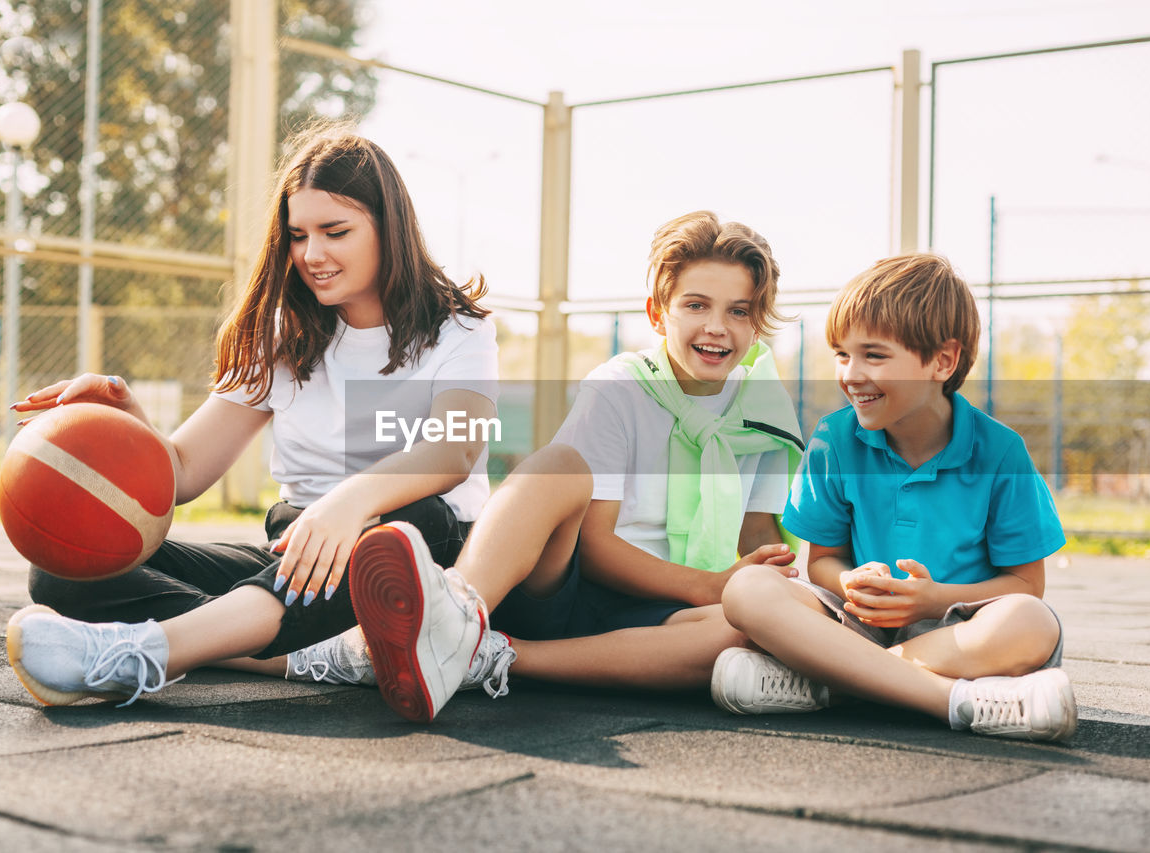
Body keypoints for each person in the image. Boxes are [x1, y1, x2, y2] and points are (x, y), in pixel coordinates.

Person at [4, 122, 504, 707]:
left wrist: (349, 503)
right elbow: (184, 472)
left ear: (388, 228)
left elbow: (454, 452)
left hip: (420, 545)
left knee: (398, 533)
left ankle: (140, 656)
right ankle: (326, 656)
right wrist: (127, 423)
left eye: (335, 231)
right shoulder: (282, 334)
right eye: (298, 236)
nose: (312, 255)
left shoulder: (461, 328)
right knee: (68, 566)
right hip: (293, 556)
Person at [314, 210, 806, 723]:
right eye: (696, 305)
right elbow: (594, 547)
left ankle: (489, 655)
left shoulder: (763, 410)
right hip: (570, 589)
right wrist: (704, 586)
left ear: (756, 325)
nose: (716, 327)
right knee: (558, 465)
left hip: (665, 613)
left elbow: (757, 536)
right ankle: (459, 610)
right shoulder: (622, 388)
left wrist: (793, 595)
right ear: (659, 314)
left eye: (739, 312)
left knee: (745, 631)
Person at [711, 253, 1076, 742]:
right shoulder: (832, 440)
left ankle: (832, 685)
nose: (851, 374)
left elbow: (1027, 586)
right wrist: (852, 581)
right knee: (747, 588)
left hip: (955, 631)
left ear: (941, 361)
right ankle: (956, 698)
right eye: (843, 354)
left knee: (1031, 623)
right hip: (854, 623)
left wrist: (933, 600)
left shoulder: (1000, 451)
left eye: (874, 355)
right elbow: (823, 563)